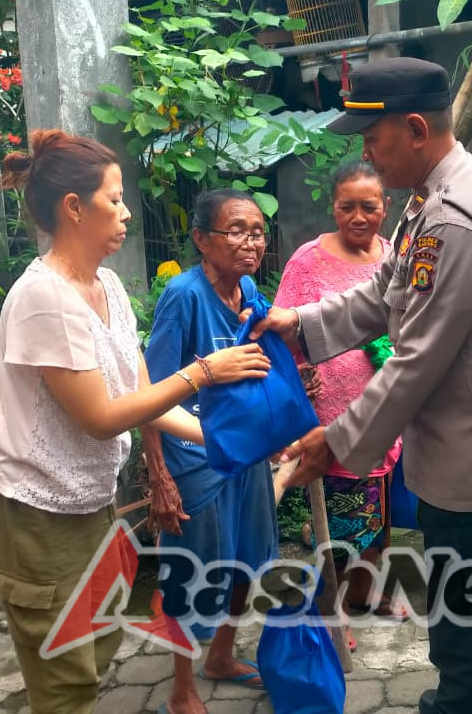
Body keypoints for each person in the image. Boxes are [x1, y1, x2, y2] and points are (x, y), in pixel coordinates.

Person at [249, 57, 472, 714]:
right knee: (464, 612)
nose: (366, 155)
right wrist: (298, 323)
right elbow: (382, 297)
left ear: (414, 129)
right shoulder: (430, 202)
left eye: (372, 139)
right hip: (460, 453)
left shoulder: (455, 219)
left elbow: (416, 361)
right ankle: (466, 695)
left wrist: (334, 442)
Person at [0, 131, 270, 714]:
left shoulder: (105, 284)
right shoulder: (44, 299)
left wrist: (226, 438)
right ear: (74, 209)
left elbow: (143, 393)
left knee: (101, 633)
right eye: (114, 198)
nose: (127, 210)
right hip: (33, 506)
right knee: (66, 669)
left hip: (87, 496)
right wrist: (205, 373)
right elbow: (102, 419)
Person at [143, 189, 283, 714]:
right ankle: (182, 692)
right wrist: (159, 474)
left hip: (243, 452)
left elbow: (264, 360)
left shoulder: (247, 289)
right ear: (202, 240)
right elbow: (150, 392)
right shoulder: (183, 294)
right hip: (192, 460)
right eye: (238, 231)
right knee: (189, 575)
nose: (252, 242)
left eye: (257, 231)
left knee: (248, 559)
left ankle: (221, 656)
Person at [273, 161, 407, 651]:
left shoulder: (396, 257)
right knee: (342, 515)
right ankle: (334, 609)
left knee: (380, 506)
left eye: (368, 207)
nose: (357, 216)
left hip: (388, 406)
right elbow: (286, 333)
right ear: (332, 207)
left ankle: (367, 588)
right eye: (346, 206)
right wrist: (301, 377)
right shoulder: (307, 263)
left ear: (385, 208)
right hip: (331, 413)